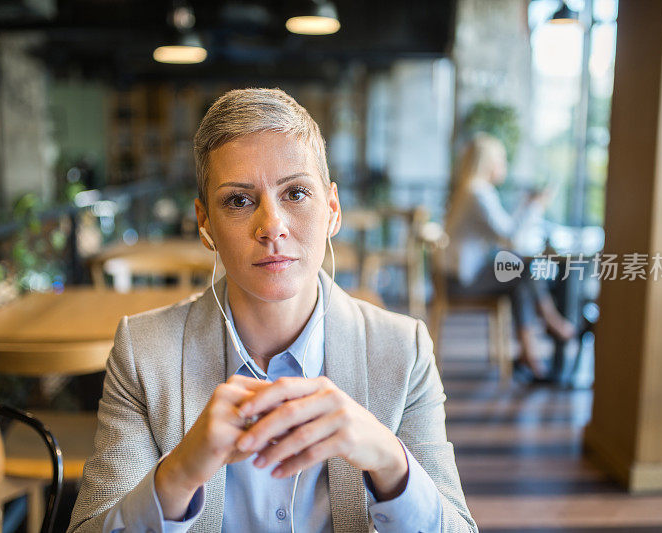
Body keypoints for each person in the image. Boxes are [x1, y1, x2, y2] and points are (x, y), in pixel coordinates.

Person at [68, 88, 477, 532]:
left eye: (296, 193)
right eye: (239, 200)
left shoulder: (403, 349)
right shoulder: (144, 352)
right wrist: (182, 470)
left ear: (333, 210)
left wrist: (388, 459)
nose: (272, 226)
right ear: (205, 224)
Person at [440, 133, 575, 381]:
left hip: (461, 276)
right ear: (488, 162)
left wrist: (527, 207)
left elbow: (506, 236)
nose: (504, 165)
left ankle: (528, 352)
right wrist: (535, 206)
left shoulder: (471, 191)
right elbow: (509, 236)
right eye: (501, 159)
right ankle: (550, 321)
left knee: (518, 279)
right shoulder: (477, 193)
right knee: (522, 268)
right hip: (461, 282)